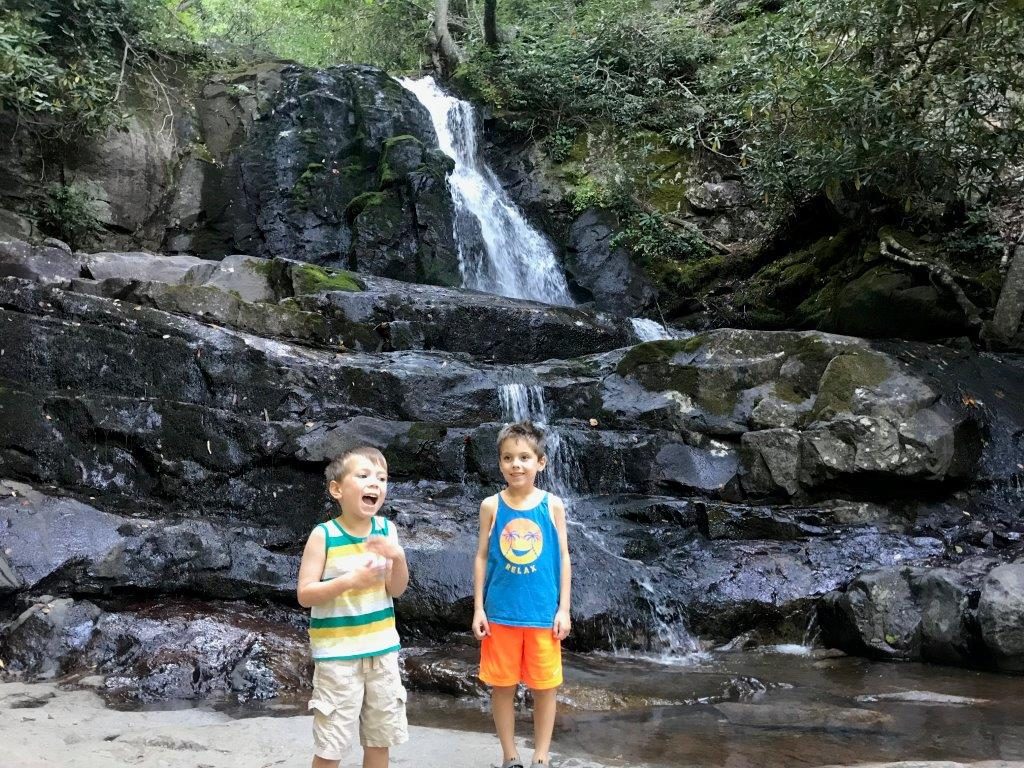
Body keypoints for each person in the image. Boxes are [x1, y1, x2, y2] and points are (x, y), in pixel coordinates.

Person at [296, 446, 409, 768]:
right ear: (337, 489)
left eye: (382, 478)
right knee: (332, 744)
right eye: (363, 476)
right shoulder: (324, 535)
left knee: (379, 740)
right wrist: (350, 581)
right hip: (337, 658)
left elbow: (396, 589)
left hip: (383, 652)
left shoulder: (387, 531)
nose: (375, 483)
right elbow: (305, 594)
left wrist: (398, 557)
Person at [472, 421, 572, 768]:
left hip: (544, 614)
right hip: (501, 614)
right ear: (500, 463)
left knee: (545, 687)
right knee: (502, 686)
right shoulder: (491, 506)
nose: (516, 464)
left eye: (524, 457)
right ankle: (510, 755)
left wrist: (564, 609)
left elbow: (563, 558)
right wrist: (478, 609)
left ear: (540, 463)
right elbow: (482, 557)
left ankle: (542, 756)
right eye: (508, 458)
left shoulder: (552, 505)